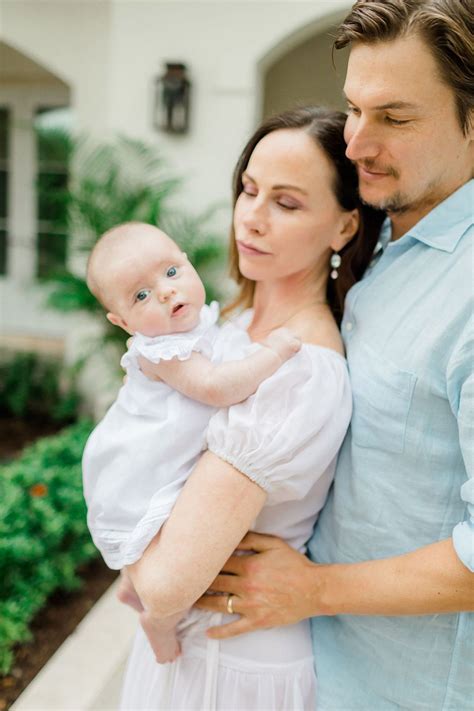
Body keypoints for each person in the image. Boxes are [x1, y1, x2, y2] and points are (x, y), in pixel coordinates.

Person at [197, 1, 474, 709]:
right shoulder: (380, 236)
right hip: (310, 673)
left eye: (395, 118)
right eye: (353, 107)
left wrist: (316, 587)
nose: (354, 142)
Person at [117, 106, 382, 710]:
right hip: (183, 651)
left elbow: (163, 584)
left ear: (344, 227)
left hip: (227, 666)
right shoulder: (230, 325)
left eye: (286, 204)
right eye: (249, 190)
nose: (252, 218)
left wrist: (134, 557)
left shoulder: (299, 370)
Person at [82, 222, 301, 662]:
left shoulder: (201, 323)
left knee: (153, 535)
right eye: (140, 296)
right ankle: (157, 622)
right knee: (164, 538)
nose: (163, 292)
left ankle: (128, 587)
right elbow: (218, 387)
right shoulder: (161, 351)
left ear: (186, 260)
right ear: (122, 322)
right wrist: (273, 353)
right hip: (147, 463)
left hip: (172, 452)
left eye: (170, 272)